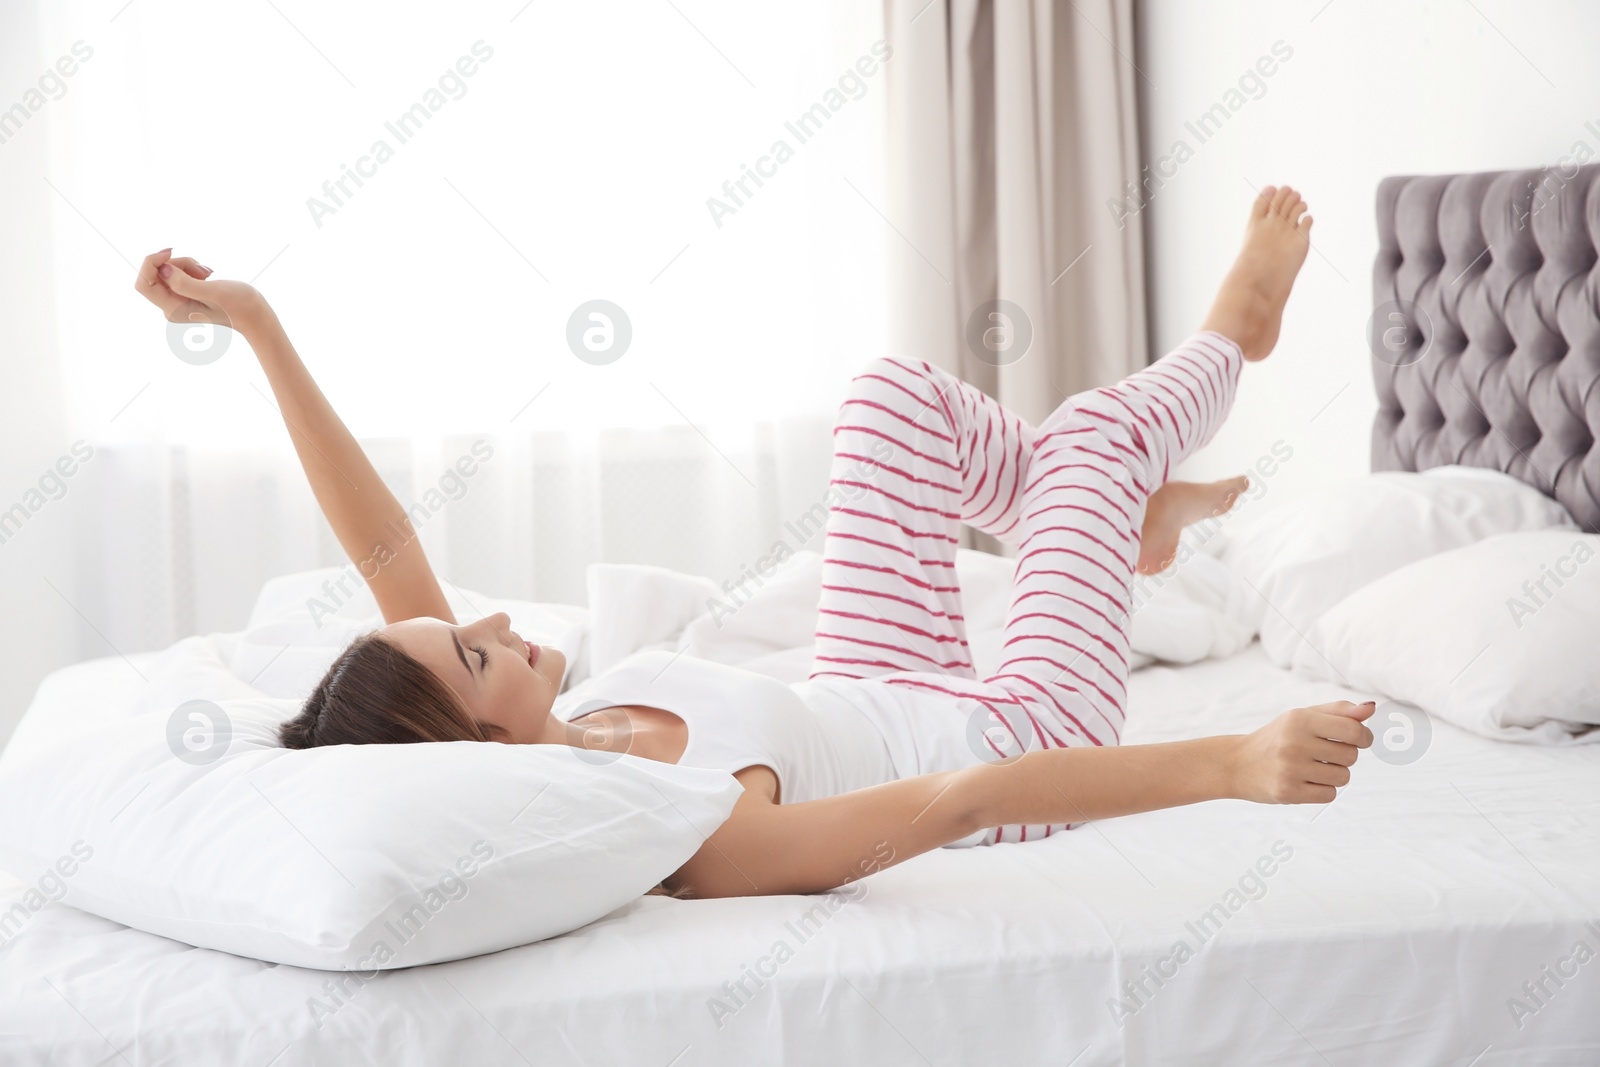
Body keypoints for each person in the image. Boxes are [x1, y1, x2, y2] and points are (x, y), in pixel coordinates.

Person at [135, 185, 1373, 898]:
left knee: (889, 393)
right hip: (1017, 725)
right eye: (475, 655)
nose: (499, 621)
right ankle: (1229, 340)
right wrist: (1231, 760)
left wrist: (259, 329)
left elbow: (385, 547)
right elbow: (959, 799)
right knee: (1099, 433)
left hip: (873, 675)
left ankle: (1102, 516)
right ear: (483, 743)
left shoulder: (567, 713)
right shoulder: (679, 831)